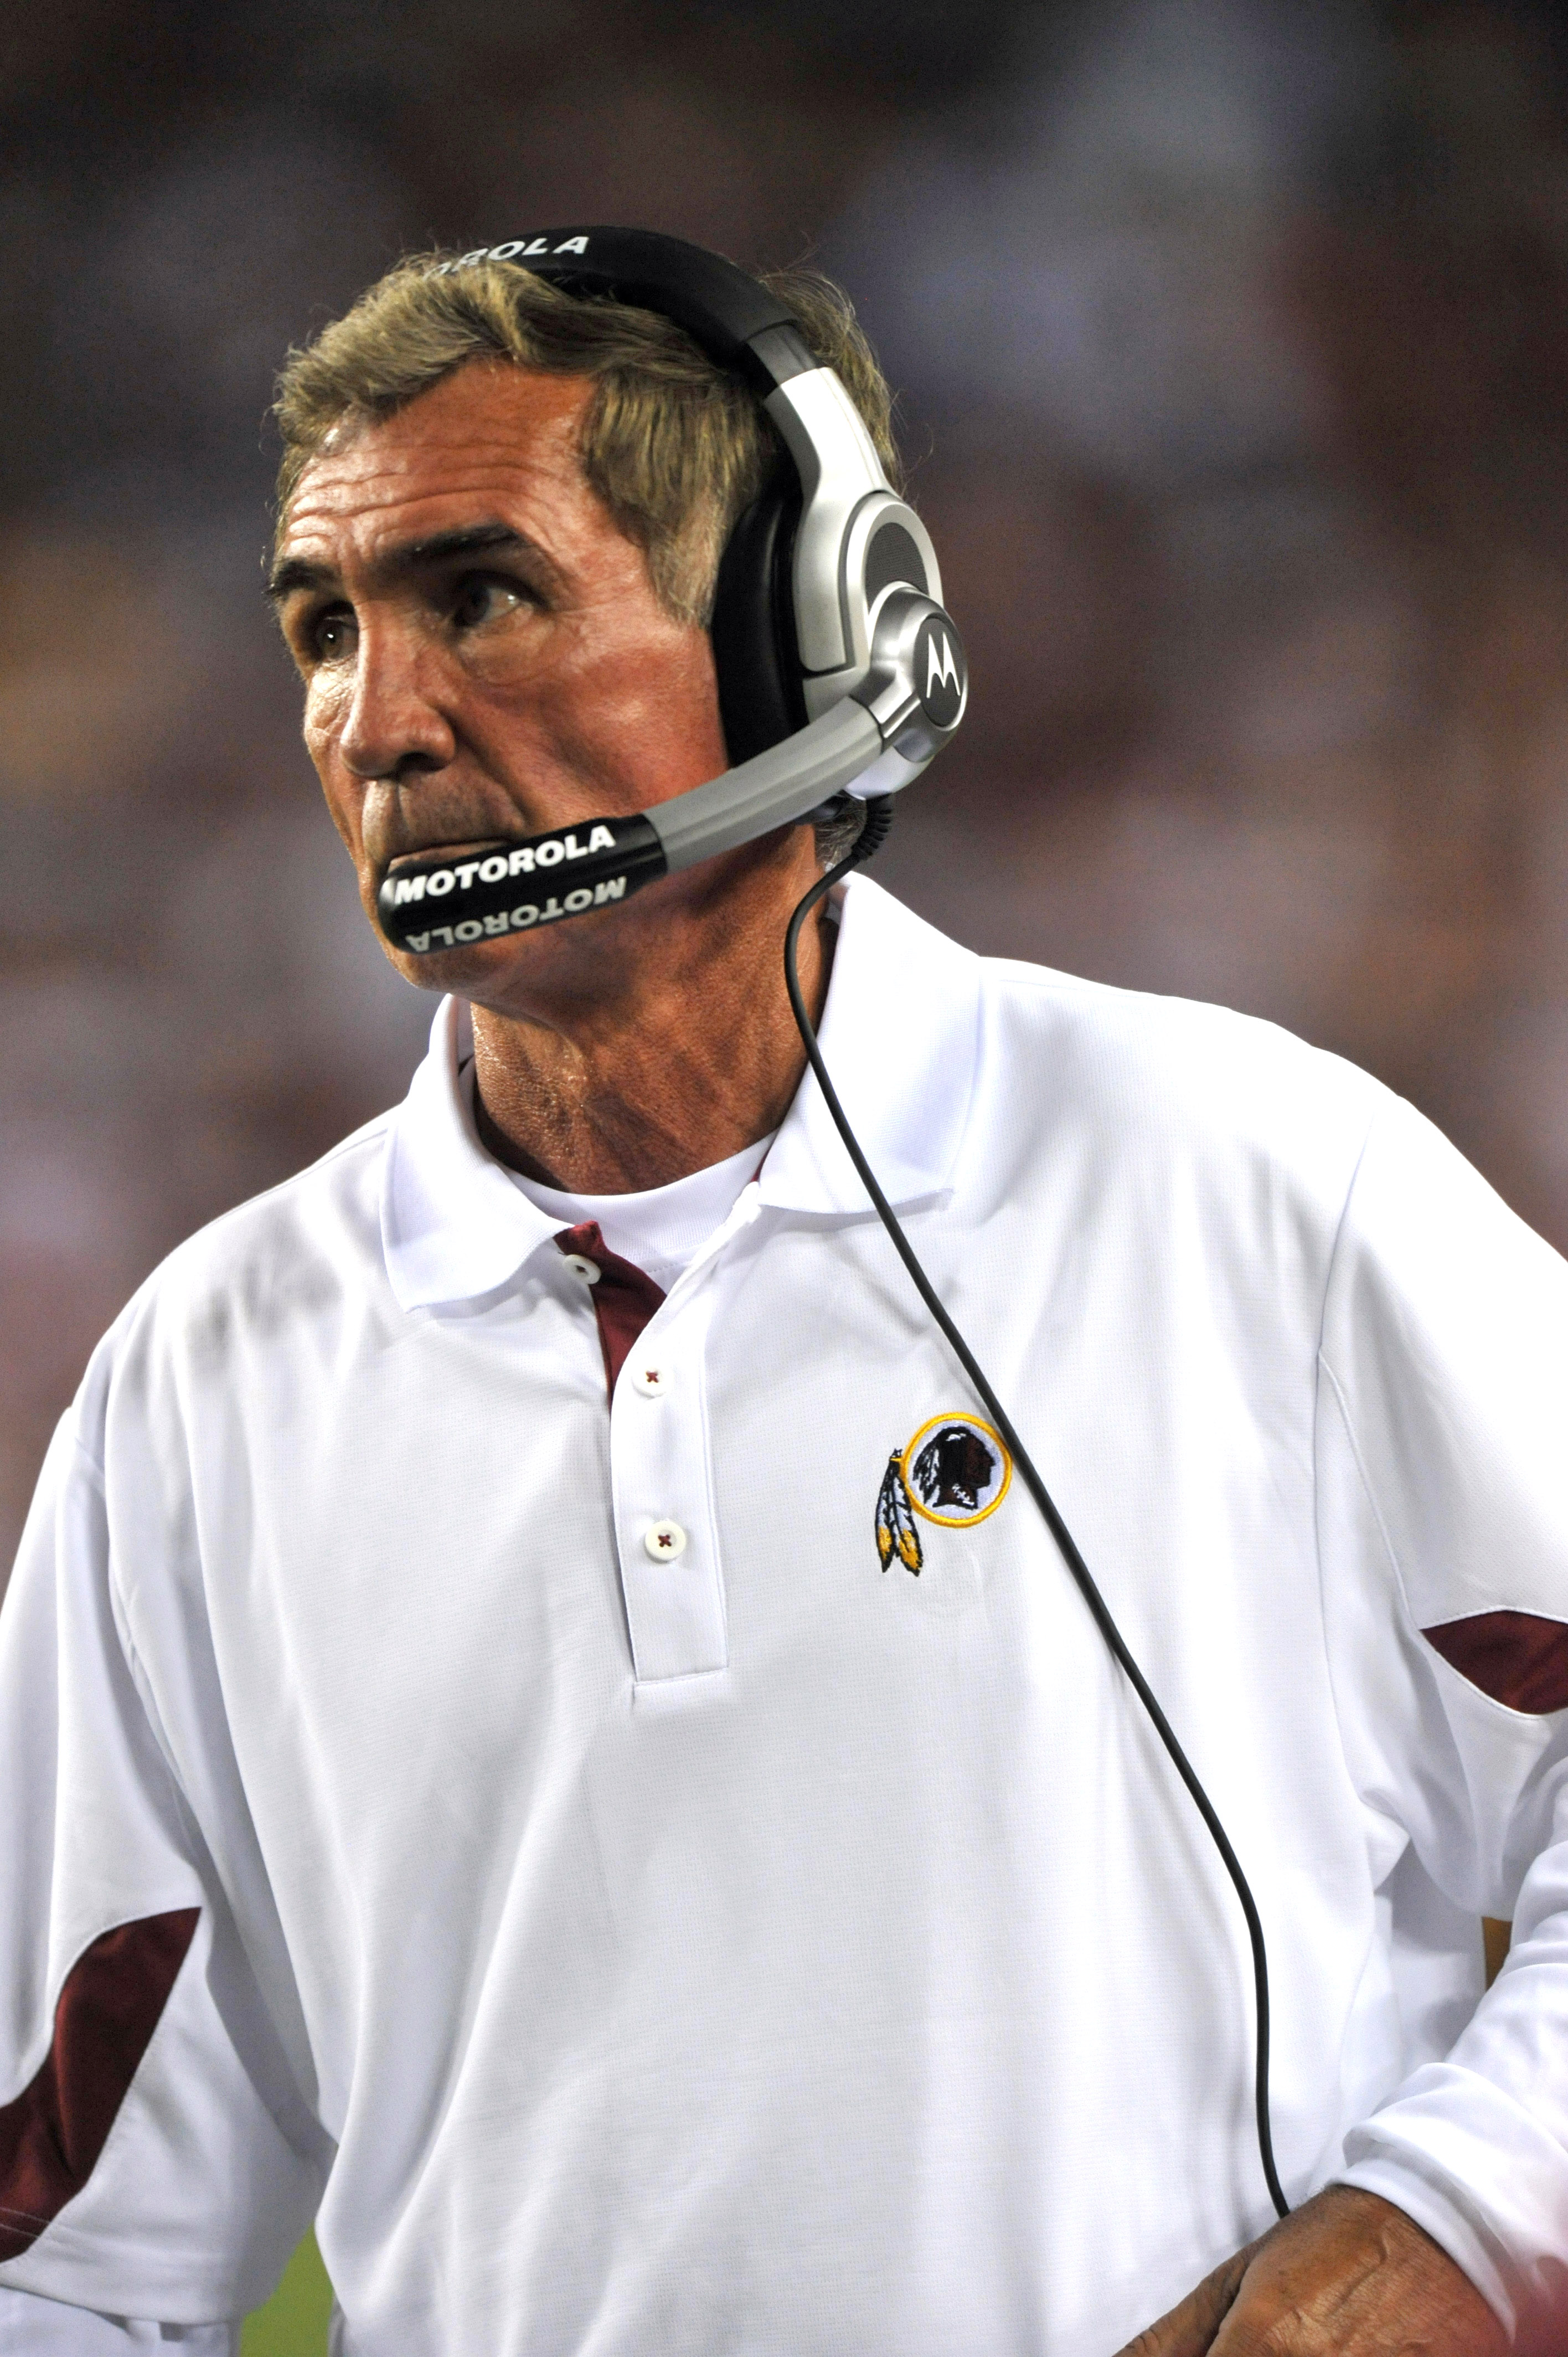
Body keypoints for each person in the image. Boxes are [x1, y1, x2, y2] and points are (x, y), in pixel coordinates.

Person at [0, 240, 1564, 2357]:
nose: (377, 724)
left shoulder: (1243, 1183)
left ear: (817, 630)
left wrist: (1448, 2227)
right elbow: (79, 2258)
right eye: (321, 628)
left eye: (478, 596)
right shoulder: (203, 1385)